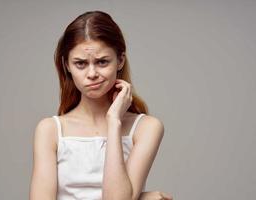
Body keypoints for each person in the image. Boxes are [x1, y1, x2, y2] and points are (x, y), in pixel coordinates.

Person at [29, 10, 173, 200]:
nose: (92, 74)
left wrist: (113, 121)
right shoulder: (50, 130)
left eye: (102, 62)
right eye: (80, 63)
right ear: (67, 65)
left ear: (120, 60)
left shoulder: (146, 128)